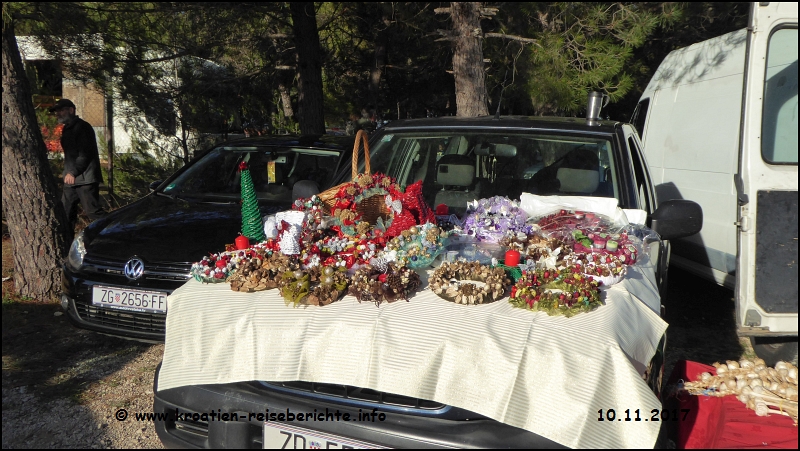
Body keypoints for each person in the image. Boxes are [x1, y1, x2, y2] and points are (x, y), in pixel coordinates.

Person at [50, 99, 106, 229]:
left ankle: (113, 234)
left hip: (86, 179)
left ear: (71, 110)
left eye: (61, 110)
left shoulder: (82, 127)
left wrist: (73, 172)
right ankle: (68, 246)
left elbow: (85, 154)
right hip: (71, 180)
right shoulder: (67, 129)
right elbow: (71, 155)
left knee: (94, 213)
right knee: (66, 214)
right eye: (57, 111)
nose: (58, 114)